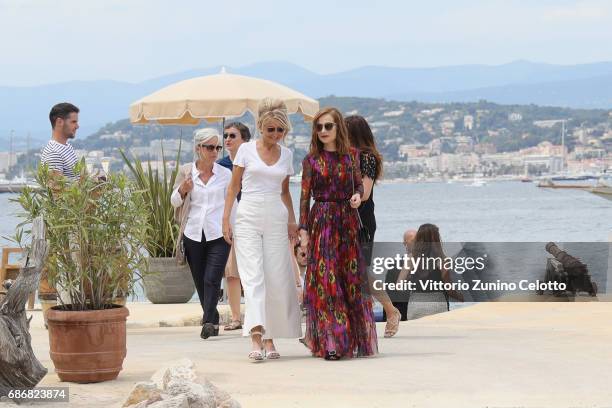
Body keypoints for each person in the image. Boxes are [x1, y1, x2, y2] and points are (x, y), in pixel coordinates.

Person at [222, 98, 302, 362]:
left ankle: (270, 338)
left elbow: (284, 191)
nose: (276, 135)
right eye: (271, 130)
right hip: (248, 216)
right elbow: (234, 188)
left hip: (277, 219)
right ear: (260, 127)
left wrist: (293, 220)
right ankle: (256, 336)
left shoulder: (287, 155)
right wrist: (226, 220)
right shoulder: (245, 150)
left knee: (276, 278)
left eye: (281, 131)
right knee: (253, 277)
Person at [299, 107, 378, 360]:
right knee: (326, 282)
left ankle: (350, 338)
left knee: (350, 282)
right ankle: (331, 341)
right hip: (321, 222)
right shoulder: (311, 160)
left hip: (347, 223)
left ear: (338, 129)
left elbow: (358, 185)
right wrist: (303, 231)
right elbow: (303, 199)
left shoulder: (352, 156)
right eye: (319, 127)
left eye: (328, 126)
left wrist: (356, 196)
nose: (323, 131)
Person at [171, 128, 233, 339]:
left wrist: (233, 229)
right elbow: (173, 201)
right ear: (198, 148)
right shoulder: (186, 172)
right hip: (193, 233)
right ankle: (213, 320)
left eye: (217, 147)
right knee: (200, 280)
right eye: (209, 147)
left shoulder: (226, 174)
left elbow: (231, 204)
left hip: (219, 234)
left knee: (212, 278)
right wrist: (183, 189)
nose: (214, 151)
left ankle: (207, 322)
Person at [345, 114, 402, 338]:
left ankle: (390, 310)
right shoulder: (346, 157)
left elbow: (365, 193)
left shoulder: (367, 158)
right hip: (346, 218)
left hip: (361, 218)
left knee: (361, 271)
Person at [217, 122, 252, 331]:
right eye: (226, 135)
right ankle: (236, 317)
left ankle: (255, 315)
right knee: (232, 272)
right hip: (230, 223)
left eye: (233, 135)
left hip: (252, 221)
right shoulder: (221, 166)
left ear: (244, 140)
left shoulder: (253, 162)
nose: (227, 139)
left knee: (252, 272)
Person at [400, 223, 464, 320]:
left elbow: (399, 285)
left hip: (415, 306)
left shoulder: (411, 257)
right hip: (437, 306)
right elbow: (449, 289)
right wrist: (460, 297)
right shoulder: (442, 260)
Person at [41, 102, 80, 180]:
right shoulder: (53, 153)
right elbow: (56, 190)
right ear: (59, 122)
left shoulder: (67, 147)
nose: (77, 126)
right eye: (73, 122)